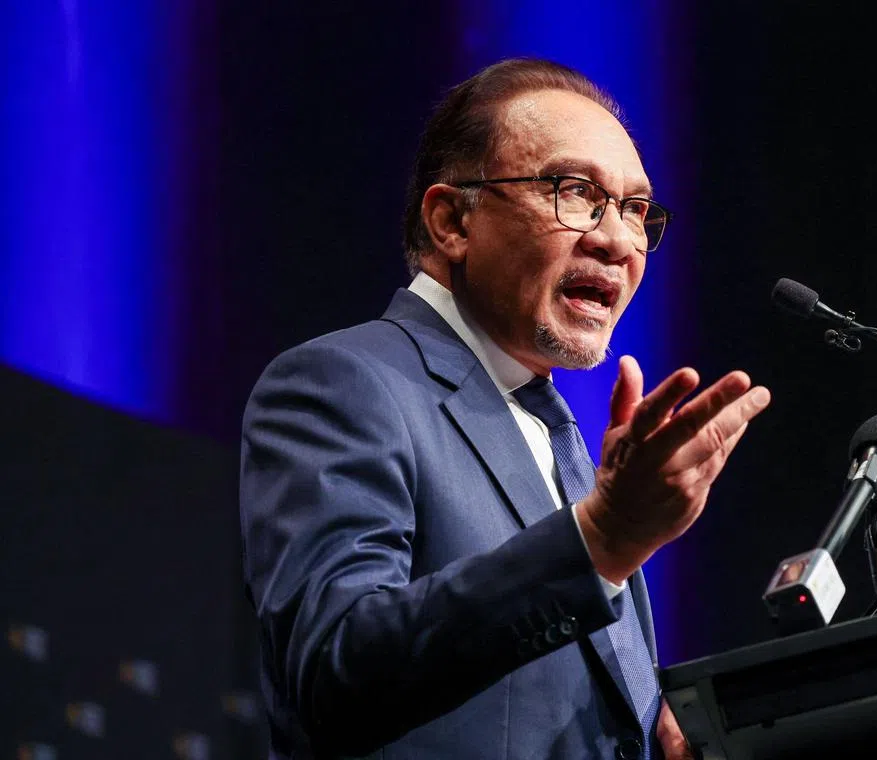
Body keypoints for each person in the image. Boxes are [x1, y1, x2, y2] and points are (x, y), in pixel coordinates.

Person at [239, 57, 771, 760]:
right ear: (453, 220)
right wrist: (599, 541)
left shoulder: (568, 442)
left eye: (636, 209)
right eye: (575, 191)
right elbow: (335, 672)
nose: (616, 240)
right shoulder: (342, 383)